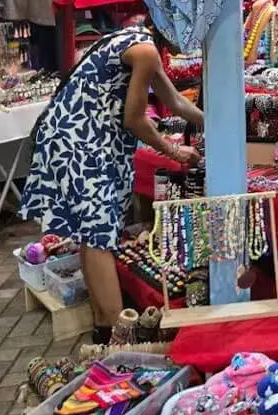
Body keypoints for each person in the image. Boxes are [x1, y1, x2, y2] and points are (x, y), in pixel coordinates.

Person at [20, 19, 202, 340]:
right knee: (100, 235)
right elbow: (134, 118)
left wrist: (216, 123)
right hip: (78, 140)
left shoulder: (140, 43)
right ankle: (122, 334)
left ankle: (103, 328)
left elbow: (175, 102)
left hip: (81, 137)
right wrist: (173, 151)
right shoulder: (145, 52)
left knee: (95, 235)